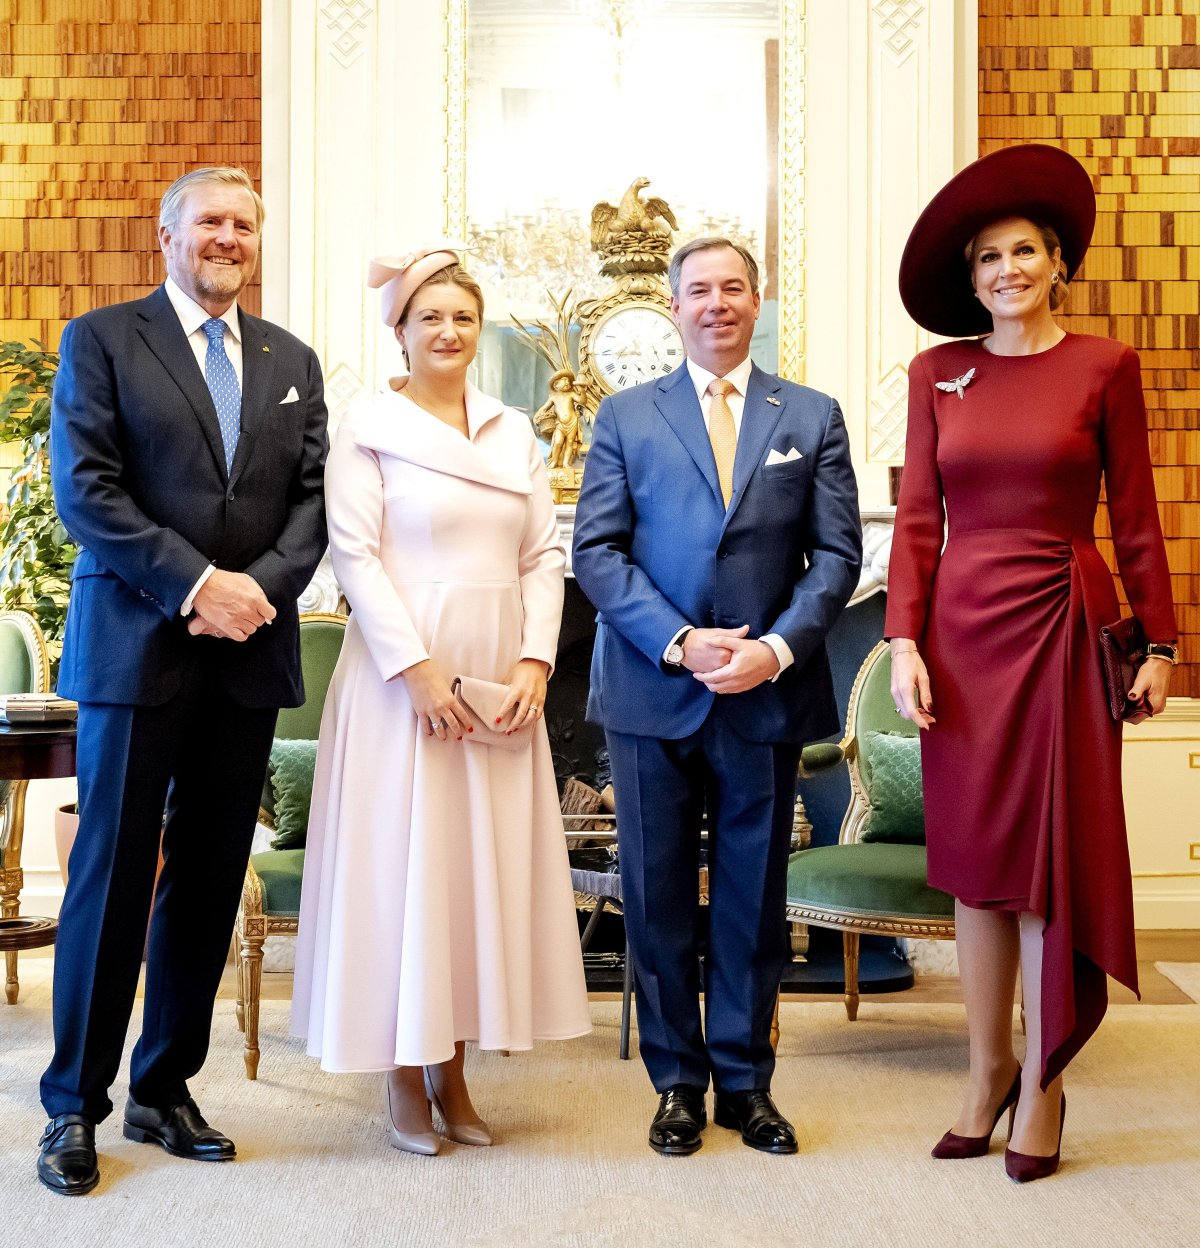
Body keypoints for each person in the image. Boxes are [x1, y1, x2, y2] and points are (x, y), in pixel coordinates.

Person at [887, 143, 1177, 1183]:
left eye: (1023, 252)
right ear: (970, 283)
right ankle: (985, 1067)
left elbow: (1137, 518)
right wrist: (903, 641)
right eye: (987, 260)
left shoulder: (1105, 366)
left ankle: (1045, 1083)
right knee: (976, 867)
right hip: (963, 640)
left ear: (1056, 262)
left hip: (1062, 626)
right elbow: (918, 521)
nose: (1005, 270)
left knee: (1048, 871)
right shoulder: (937, 373)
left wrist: (1163, 641)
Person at [41, 167, 329, 1195]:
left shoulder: (293, 359)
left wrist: (255, 592)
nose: (228, 236)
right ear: (167, 234)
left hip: (247, 652)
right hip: (138, 647)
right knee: (112, 878)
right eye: (209, 220)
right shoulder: (103, 340)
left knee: (208, 883)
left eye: (245, 223)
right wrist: (198, 585)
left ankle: (165, 1089)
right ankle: (75, 1104)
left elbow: (311, 506)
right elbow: (88, 491)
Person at [291, 246, 590, 1156]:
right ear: (403, 330)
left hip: (501, 682)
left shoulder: (512, 430)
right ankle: (401, 1081)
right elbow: (356, 555)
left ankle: (455, 1073)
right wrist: (415, 671)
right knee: (406, 871)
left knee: (474, 875)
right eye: (431, 317)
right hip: (402, 683)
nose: (449, 331)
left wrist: (538, 661)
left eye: (463, 316)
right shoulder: (367, 427)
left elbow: (542, 555)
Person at [572, 237, 862, 1157]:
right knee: (655, 902)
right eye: (699, 290)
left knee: (751, 899)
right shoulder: (624, 415)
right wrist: (681, 642)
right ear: (675, 303)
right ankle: (677, 1085)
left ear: (757, 298)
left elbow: (839, 557)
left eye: (733, 287)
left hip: (764, 695)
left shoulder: (810, 415)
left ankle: (746, 1083)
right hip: (653, 691)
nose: (717, 303)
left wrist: (772, 649)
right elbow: (597, 551)